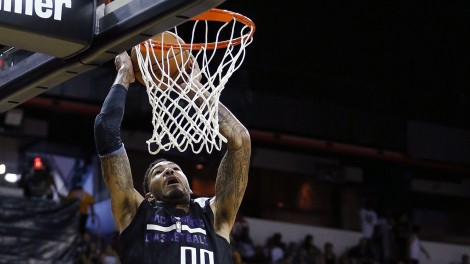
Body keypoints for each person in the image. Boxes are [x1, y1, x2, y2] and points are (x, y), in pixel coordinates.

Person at [93, 51, 251, 263]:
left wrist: (193, 89)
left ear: (190, 187)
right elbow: (105, 129)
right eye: (159, 172)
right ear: (148, 195)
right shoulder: (135, 212)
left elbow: (240, 140)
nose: (169, 170)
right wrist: (124, 73)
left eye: (176, 169)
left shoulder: (214, 216)